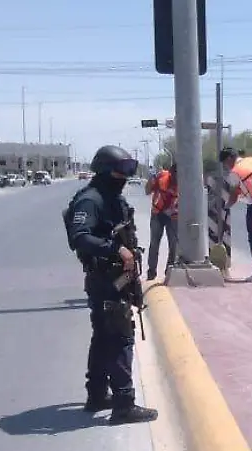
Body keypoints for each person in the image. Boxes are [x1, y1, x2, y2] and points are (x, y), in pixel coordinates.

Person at [64, 145, 159, 425]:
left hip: (117, 278)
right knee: (120, 337)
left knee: (104, 337)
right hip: (105, 278)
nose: (125, 178)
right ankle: (123, 404)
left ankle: (96, 394)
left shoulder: (111, 197)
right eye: (121, 172)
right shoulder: (91, 200)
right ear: (106, 171)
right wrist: (115, 250)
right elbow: (80, 237)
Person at [220, 147, 252, 280]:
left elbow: (234, 194)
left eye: (225, 163)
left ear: (230, 158)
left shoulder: (234, 173)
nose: (226, 166)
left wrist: (227, 206)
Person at [144, 162, 179, 280]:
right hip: (157, 215)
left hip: (173, 217)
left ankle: (169, 272)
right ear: (171, 172)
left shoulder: (186, 184)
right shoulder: (161, 176)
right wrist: (151, 178)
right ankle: (151, 272)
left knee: (174, 245)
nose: (177, 178)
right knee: (154, 244)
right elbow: (147, 191)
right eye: (175, 174)